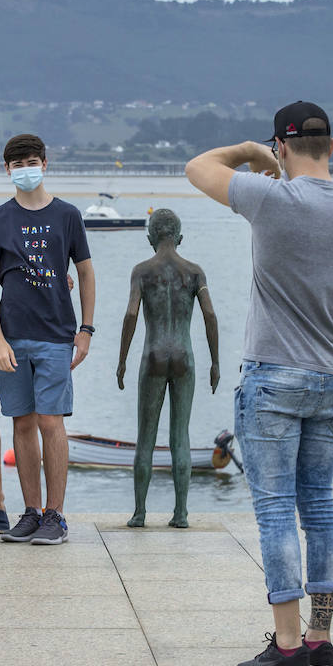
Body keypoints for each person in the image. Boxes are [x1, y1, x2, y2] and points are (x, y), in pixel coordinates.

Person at [186, 101, 333, 666]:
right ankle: (319, 639)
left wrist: (249, 154)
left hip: (274, 376)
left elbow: (198, 166)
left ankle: (287, 646)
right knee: (318, 506)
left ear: (283, 146)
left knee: (274, 511)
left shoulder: (270, 197)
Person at [0, 133, 95, 546]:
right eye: (17, 163)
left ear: (45, 163)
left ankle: (55, 515)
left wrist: (86, 330)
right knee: (22, 422)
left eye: (32, 161)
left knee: (51, 420)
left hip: (56, 335)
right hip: (12, 337)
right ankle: (29, 512)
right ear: (7, 170)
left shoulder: (67, 215)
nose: (25, 169)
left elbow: (84, 272)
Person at [116, 208, 220, 529]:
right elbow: (210, 316)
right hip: (185, 357)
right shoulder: (194, 272)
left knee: (145, 438)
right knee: (181, 437)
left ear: (150, 237)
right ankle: (181, 513)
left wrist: (121, 361)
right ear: (180, 237)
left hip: (154, 355)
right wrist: (215, 362)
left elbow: (131, 315)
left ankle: (140, 512)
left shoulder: (142, 272)